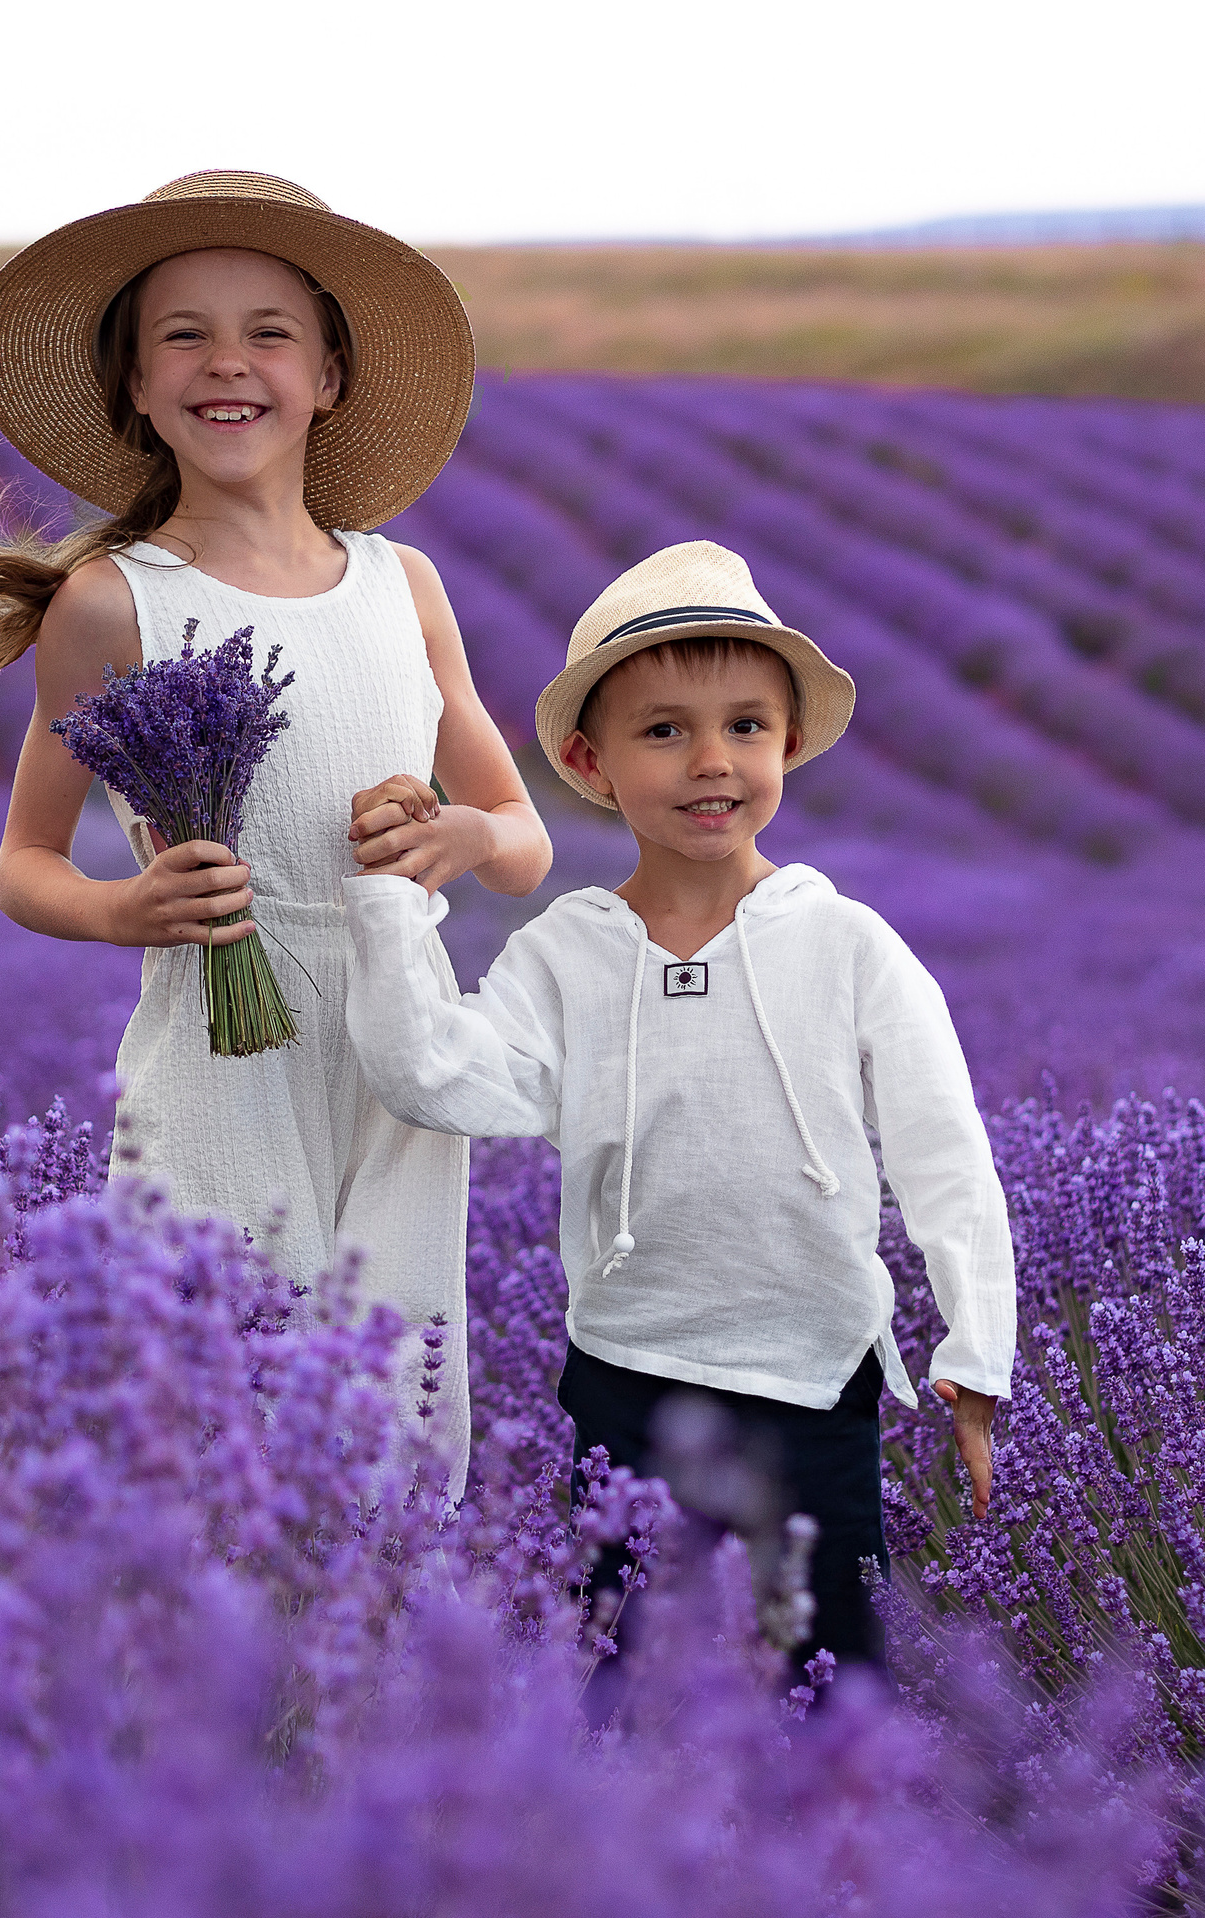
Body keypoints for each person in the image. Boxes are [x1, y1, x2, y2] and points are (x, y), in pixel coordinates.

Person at [0, 172, 552, 1494]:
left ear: (327, 373)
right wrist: (123, 907)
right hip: (216, 1043)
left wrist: (461, 841)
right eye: (181, 335)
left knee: (396, 1435)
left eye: (266, 331)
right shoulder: (108, 603)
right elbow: (25, 862)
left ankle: (385, 1694)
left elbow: (526, 831)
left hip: (397, 1052)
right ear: (134, 387)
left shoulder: (400, 583)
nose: (226, 362)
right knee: (213, 1413)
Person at [342, 541, 1014, 1667]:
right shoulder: (566, 955)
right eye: (664, 730)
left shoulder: (849, 946)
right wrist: (390, 901)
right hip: (628, 1375)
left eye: (746, 726)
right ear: (586, 760)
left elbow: (946, 1151)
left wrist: (976, 1349)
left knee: (830, 1682)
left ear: (788, 742)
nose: (713, 760)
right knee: (626, 1676)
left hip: (814, 1375)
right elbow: (433, 1075)